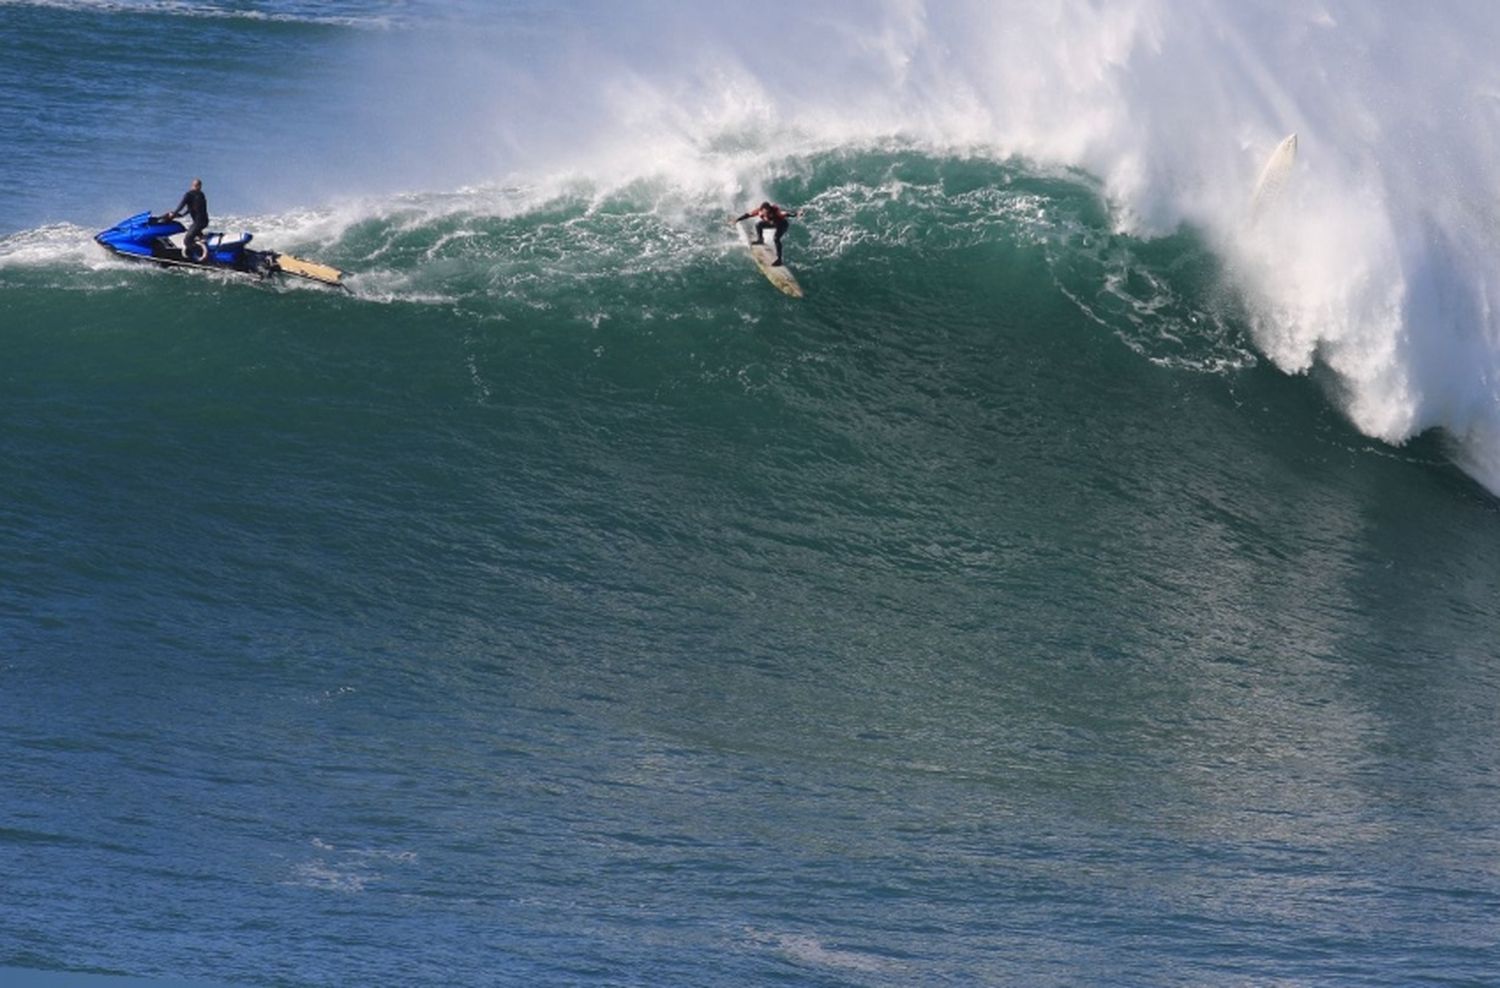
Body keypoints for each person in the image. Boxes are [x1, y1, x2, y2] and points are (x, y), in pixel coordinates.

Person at [731, 201, 803, 266]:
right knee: (758, 225)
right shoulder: (759, 211)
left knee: (776, 239)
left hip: (782, 225)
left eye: (768, 211)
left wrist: (796, 214)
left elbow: (786, 213)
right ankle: (760, 240)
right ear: (762, 210)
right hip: (773, 224)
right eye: (764, 211)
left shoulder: (776, 212)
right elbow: (748, 215)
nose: (766, 213)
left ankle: (779, 260)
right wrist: (737, 220)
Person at [167, 178, 209, 261]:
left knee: (187, 240)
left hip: (198, 223)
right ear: (199, 186)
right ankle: (201, 242)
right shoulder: (201, 194)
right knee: (193, 231)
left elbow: (180, 206)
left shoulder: (189, 195)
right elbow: (193, 208)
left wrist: (173, 215)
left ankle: (200, 254)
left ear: (193, 185)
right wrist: (182, 215)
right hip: (204, 221)